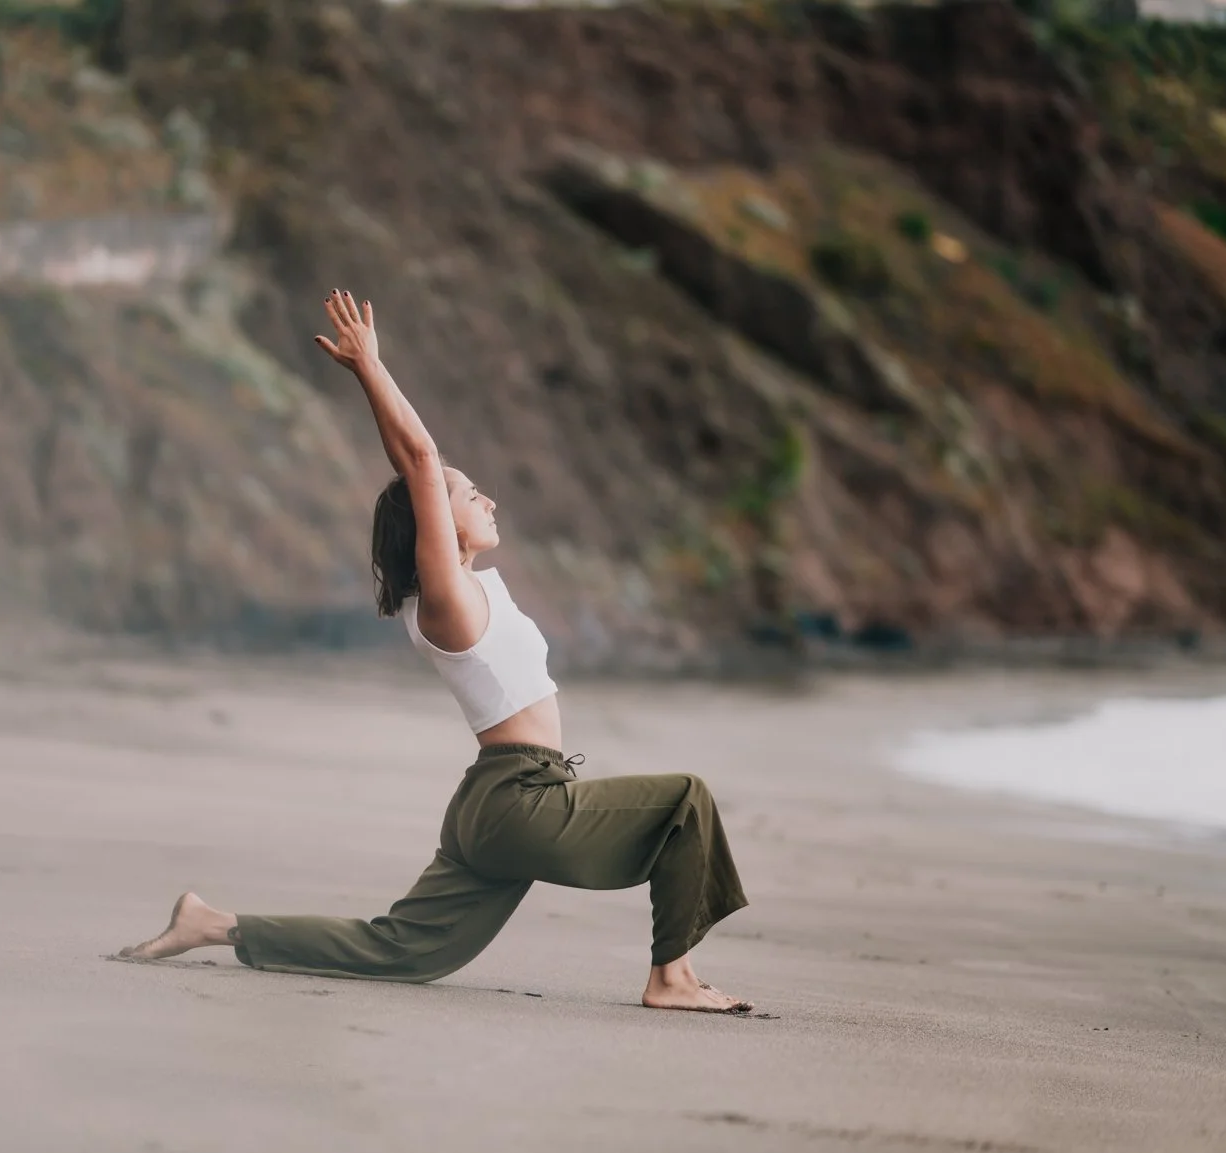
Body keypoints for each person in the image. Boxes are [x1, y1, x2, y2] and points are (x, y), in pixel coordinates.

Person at [120, 290, 753, 1014]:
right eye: (469, 494)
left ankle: (213, 923)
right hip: (521, 800)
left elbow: (416, 462)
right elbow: (421, 461)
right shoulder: (448, 602)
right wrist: (372, 367)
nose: (486, 500)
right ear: (433, 521)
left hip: (490, 805)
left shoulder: (455, 593)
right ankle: (671, 978)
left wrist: (377, 397)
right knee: (686, 801)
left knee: (403, 949)